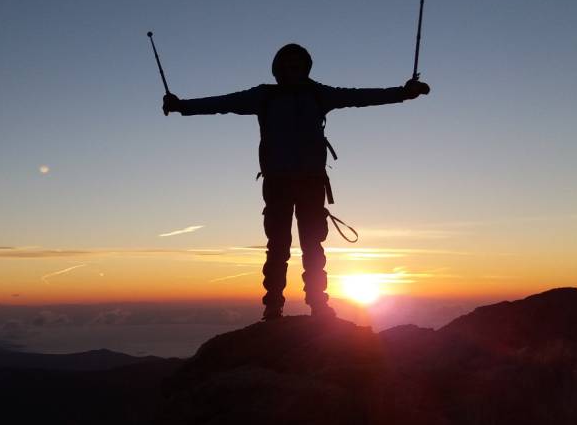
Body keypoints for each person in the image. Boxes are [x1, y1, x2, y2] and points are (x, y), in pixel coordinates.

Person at [163, 43, 430, 320]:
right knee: (281, 245)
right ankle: (277, 306)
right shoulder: (272, 95)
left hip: (307, 182)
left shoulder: (309, 94)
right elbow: (221, 103)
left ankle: (313, 304)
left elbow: (360, 96)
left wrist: (403, 93)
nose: (293, 70)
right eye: (288, 66)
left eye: (297, 65)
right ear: (279, 69)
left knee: (308, 245)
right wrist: (182, 106)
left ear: (305, 68)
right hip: (282, 183)